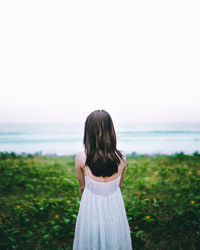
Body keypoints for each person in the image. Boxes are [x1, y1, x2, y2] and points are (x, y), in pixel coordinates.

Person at [73, 110, 133, 250]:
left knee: (90, 241)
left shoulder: (81, 158)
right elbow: (120, 185)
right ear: (111, 130)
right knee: (115, 239)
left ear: (88, 132)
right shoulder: (122, 158)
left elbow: (82, 188)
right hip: (114, 205)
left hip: (91, 205)